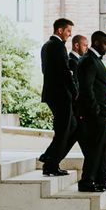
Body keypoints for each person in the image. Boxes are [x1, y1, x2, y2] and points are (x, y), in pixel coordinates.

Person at [76, 31, 106, 193]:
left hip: (101, 111)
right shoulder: (88, 61)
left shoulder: (95, 61)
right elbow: (87, 89)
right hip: (93, 114)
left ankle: (101, 179)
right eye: (105, 43)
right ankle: (87, 181)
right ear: (95, 42)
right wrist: (97, 110)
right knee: (95, 148)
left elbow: (99, 88)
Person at [39, 34, 88, 165]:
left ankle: (50, 158)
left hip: (68, 103)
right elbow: (70, 82)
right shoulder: (71, 61)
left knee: (68, 131)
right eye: (85, 45)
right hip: (68, 102)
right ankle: (51, 160)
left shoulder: (73, 59)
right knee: (65, 131)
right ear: (76, 45)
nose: (87, 48)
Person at [40, 18, 77, 177]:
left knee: (70, 127)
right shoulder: (58, 46)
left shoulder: (46, 46)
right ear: (60, 30)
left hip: (52, 94)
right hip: (61, 95)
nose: (69, 35)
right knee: (64, 130)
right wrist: (75, 91)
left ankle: (49, 157)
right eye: (68, 31)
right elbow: (64, 72)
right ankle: (51, 164)